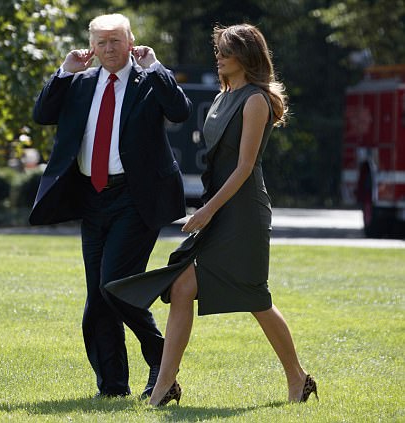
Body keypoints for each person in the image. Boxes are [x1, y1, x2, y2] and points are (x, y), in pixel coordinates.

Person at [105, 23, 318, 406]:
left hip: (243, 213)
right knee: (182, 287)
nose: (218, 57)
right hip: (219, 208)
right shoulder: (223, 96)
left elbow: (244, 168)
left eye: (226, 51)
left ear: (246, 56)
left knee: (255, 298)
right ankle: (164, 386)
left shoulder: (255, 100)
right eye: (217, 50)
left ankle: (298, 378)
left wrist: (206, 210)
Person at [29, 13, 192, 397]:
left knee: (114, 287)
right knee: (99, 297)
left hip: (136, 198)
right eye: (101, 42)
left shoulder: (148, 80)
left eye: (115, 41)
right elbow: (41, 115)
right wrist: (63, 72)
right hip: (92, 198)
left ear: (130, 42)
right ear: (91, 46)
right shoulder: (79, 82)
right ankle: (113, 387)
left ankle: (161, 360)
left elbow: (180, 111)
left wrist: (157, 68)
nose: (108, 48)